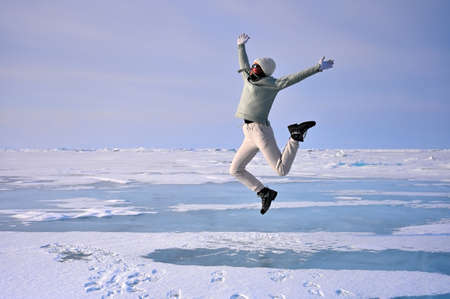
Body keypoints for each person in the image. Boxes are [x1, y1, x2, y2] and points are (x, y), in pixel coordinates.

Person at [229, 33, 334, 215]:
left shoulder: (272, 84)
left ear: (264, 70)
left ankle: (295, 137)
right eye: (253, 65)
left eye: (256, 67)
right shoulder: (247, 77)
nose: (252, 68)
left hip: (261, 131)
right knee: (235, 170)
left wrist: (317, 68)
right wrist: (241, 46)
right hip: (248, 132)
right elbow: (243, 64)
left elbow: (293, 78)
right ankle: (264, 192)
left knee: (281, 170)